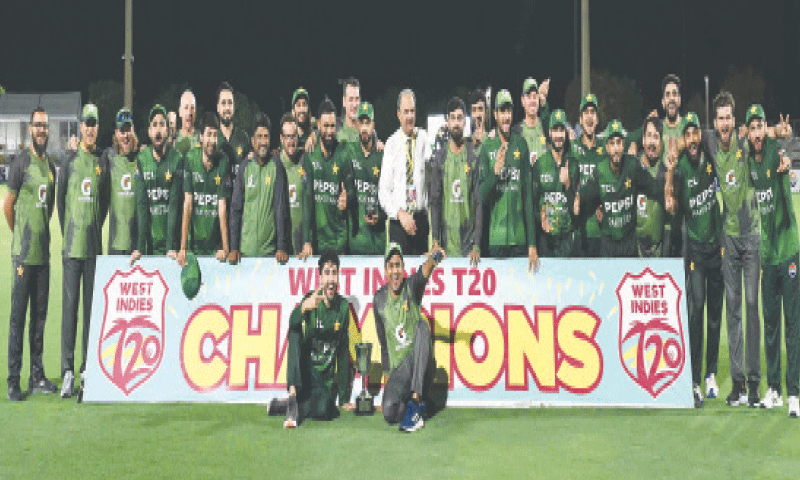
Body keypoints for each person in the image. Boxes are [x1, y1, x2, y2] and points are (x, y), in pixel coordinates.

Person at [704, 92, 761, 407]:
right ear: (715, 123)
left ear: (734, 121)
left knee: (752, 307)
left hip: (751, 237)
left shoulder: (744, 143)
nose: (725, 123)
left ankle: (754, 382)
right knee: (734, 310)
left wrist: (781, 133)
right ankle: (738, 383)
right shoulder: (711, 143)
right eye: (720, 118)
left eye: (729, 117)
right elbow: (686, 135)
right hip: (728, 237)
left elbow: (766, 136)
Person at [665, 112, 723, 409]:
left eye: (695, 133)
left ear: (700, 135)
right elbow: (673, 209)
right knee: (696, 308)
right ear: (683, 140)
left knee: (715, 313)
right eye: (687, 135)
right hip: (695, 254)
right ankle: (694, 380)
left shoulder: (711, 159)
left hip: (717, 249)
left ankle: (710, 373)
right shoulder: (682, 168)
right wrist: (670, 175)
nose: (692, 139)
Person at [744, 104, 799, 417]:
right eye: (751, 128)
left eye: (760, 127)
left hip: (789, 250)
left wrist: (788, 154)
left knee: (793, 326)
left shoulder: (776, 151)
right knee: (771, 328)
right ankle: (775, 390)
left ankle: (795, 393)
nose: (755, 134)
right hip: (768, 255)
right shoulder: (750, 161)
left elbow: (785, 158)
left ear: (765, 128)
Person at [4, 107, 59, 400]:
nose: (42, 130)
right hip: (23, 258)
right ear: (30, 129)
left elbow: (48, 208)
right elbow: (8, 206)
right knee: (17, 318)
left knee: (39, 319)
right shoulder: (20, 162)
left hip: (43, 258)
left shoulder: (49, 166)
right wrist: (21, 238)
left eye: (45, 126)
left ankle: (37, 376)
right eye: (38, 125)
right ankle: (14, 380)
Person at [56, 103, 108, 398]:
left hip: (93, 250)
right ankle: (67, 371)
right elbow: (61, 203)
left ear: (98, 128)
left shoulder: (102, 162)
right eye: (86, 123)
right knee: (69, 310)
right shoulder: (69, 160)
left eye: (94, 124)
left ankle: (88, 369)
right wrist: (70, 233)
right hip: (71, 249)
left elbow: (103, 205)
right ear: (80, 126)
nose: (90, 128)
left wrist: (92, 230)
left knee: (91, 312)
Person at [374, 242, 443, 432]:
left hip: (420, 363)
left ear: (403, 268)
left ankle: (415, 401)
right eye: (391, 266)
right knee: (390, 414)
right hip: (400, 372)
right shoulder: (379, 299)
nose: (395, 271)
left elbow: (426, 270)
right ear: (385, 270)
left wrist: (434, 258)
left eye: (398, 265)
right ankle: (420, 406)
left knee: (422, 326)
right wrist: (387, 379)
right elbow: (383, 343)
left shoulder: (411, 287)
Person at [574, 120, 665, 257]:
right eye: (612, 143)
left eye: (619, 143)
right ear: (607, 147)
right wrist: (578, 202)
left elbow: (655, 188)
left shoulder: (632, 166)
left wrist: (671, 173)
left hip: (629, 243)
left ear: (623, 144)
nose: (616, 149)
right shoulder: (600, 170)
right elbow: (585, 200)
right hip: (607, 244)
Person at [284, 252, 354, 428]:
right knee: (294, 330)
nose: (331, 278)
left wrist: (344, 399)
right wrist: (302, 309)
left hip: (323, 384)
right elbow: (292, 323)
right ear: (320, 277)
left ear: (338, 276)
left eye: (334, 272)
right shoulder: (311, 299)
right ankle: (292, 398)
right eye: (327, 273)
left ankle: (283, 406)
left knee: (326, 411)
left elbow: (343, 351)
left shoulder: (343, 307)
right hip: (305, 374)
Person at [478, 89, 538, 271]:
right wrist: (495, 173)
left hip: (519, 239)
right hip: (496, 239)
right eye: (502, 111)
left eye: (509, 111)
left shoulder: (521, 144)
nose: (506, 117)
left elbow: (527, 196)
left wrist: (532, 243)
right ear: (495, 114)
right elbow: (481, 196)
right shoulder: (487, 146)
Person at [229, 112, 289, 264]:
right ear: (252, 140)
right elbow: (236, 209)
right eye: (259, 137)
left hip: (269, 255)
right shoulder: (244, 167)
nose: (263, 142)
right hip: (244, 255)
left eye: (266, 137)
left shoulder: (276, 166)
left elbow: (280, 208)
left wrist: (281, 246)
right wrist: (234, 247)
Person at [428, 97, 482, 264]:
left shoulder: (473, 156)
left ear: (465, 122)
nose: (456, 123)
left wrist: (477, 245)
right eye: (453, 118)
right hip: (445, 249)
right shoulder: (440, 158)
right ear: (447, 121)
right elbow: (435, 202)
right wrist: (435, 241)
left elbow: (478, 202)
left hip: (469, 250)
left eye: (460, 118)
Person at [379, 89, 432, 255]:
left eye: (412, 111)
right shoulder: (391, 144)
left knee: (421, 277)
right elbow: (383, 192)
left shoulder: (424, 139)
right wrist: (399, 213)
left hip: (421, 222)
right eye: (406, 111)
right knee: (399, 277)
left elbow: (435, 170)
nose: (410, 116)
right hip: (399, 224)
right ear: (398, 114)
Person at [131, 104, 184, 263]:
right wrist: (140, 247)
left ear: (167, 131)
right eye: (154, 125)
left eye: (162, 124)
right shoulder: (141, 160)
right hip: (149, 247)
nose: (158, 129)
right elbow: (141, 206)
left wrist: (170, 247)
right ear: (149, 132)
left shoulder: (177, 159)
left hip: (170, 247)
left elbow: (174, 205)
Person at [303, 98, 355, 255]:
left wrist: (348, 196)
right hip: (316, 241)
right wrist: (306, 240)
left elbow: (352, 189)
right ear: (318, 124)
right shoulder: (310, 154)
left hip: (338, 239)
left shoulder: (343, 153)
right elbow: (307, 198)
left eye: (332, 126)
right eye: (326, 126)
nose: (330, 131)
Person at [179, 112, 231, 263]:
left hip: (214, 247)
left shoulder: (223, 161)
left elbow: (222, 207)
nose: (212, 140)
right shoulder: (190, 158)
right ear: (201, 136)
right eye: (208, 134)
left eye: (215, 135)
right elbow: (187, 204)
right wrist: (183, 247)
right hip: (193, 246)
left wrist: (226, 248)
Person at [348, 102, 386, 255]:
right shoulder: (349, 151)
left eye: (368, 123)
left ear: (373, 125)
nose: (364, 128)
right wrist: (313, 136)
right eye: (361, 123)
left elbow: (390, 197)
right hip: (355, 243)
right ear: (357, 125)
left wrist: (380, 215)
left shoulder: (383, 155)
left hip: (378, 243)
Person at [571, 93, 604, 257]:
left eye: (593, 112)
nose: (590, 117)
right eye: (586, 112)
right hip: (578, 232)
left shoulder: (605, 148)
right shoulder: (571, 148)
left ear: (597, 118)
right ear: (580, 118)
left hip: (601, 233)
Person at [104, 108, 139, 256]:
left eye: (128, 130)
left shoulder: (142, 158)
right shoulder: (108, 157)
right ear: (116, 134)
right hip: (116, 244)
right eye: (121, 131)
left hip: (137, 246)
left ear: (133, 130)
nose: (125, 135)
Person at [636, 117, 669, 258]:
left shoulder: (665, 171)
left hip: (657, 250)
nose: (651, 142)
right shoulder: (632, 166)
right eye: (649, 136)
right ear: (643, 140)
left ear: (661, 143)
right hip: (634, 249)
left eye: (656, 137)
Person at [278, 114, 310, 257]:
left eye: (294, 136)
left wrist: (307, 241)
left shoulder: (304, 161)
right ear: (281, 138)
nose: (291, 141)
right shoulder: (274, 164)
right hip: (280, 250)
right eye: (288, 136)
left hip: (301, 249)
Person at [216, 81, 251, 177]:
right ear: (218, 107)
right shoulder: (212, 137)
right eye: (223, 103)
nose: (227, 108)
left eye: (230, 103)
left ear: (234, 106)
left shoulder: (243, 137)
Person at [513, 77, 550, 165]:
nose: (532, 101)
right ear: (522, 101)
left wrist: (544, 102)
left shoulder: (546, 127)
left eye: (535, 96)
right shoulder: (516, 132)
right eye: (529, 97)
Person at [175, 89, 199, 156]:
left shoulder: (202, 139)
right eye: (186, 108)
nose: (189, 112)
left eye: (192, 108)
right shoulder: (173, 140)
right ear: (180, 112)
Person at [337, 77, 361, 143]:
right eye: (350, 100)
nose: (354, 105)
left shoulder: (367, 131)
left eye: (357, 99)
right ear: (344, 102)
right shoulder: (335, 129)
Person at [291, 87, 314, 154]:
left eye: (304, 105)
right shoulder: (288, 137)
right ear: (293, 111)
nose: (302, 109)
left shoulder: (314, 137)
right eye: (298, 105)